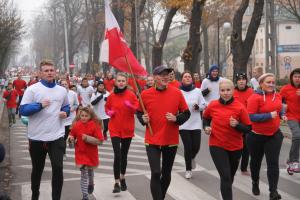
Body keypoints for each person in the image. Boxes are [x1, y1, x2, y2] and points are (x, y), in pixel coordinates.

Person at [137, 65, 190, 200]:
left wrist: (176, 118)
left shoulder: (176, 93)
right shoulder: (145, 94)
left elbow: (186, 113)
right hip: (152, 139)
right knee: (156, 172)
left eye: (168, 74)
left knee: (166, 174)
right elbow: (139, 112)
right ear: (155, 77)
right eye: (162, 75)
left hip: (170, 139)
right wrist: (143, 119)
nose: (166, 77)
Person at [19, 59, 70, 200]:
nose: (49, 73)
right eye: (46, 71)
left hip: (57, 136)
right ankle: (35, 194)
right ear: (40, 73)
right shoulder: (32, 89)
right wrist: (39, 105)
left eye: (51, 70)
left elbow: (66, 106)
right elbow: (22, 109)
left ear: (55, 72)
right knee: (37, 170)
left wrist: (66, 113)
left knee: (58, 168)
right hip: (37, 137)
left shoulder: (61, 90)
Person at [203, 79, 251, 200]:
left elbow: (248, 128)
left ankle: (224, 191)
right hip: (216, 144)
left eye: (228, 90)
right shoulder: (213, 105)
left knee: (230, 176)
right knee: (225, 176)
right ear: (219, 91)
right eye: (222, 90)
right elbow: (206, 118)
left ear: (233, 91)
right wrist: (206, 126)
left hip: (236, 146)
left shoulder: (239, 107)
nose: (225, 93)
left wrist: (237, 125)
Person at [247, 73, 284, 200]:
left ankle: (273, 191)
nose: (271, 84)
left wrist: (282, 114)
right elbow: (250, 117)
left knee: (273, 163)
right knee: (256, 162)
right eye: (268, 82)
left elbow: (279, 108)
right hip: (256, 136)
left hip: (274, 135)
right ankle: (255, 182)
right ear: (261, 83)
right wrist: (268, 115)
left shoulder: (277, 95)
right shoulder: (254, 98)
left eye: (273, 82)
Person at [105, 72, 139, 193]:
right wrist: (109, 113)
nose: (120, 83)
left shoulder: (131, 95)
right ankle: (116, 182)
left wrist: (131, 106)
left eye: (123, 81)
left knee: (124, 155)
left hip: (127, 129)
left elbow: (137, 107)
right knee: (117, 155)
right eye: (119, 81)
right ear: (115, 82)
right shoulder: (111, 96)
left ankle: (123, 177)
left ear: (126, 82)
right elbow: (107, 107)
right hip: (114, 128)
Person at [68, 107, 103, 200]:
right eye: (82, 115)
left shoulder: (94, 125)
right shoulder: (76, 125)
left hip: (91, 154)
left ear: (90, 116)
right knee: (84, 175)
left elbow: (100, 141)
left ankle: (91, 183)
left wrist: (87, 138)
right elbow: (71, 136)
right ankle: (85, 196)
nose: (83, 117)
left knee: (90, 172)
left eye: (86, 116)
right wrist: (70, 139)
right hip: (80, 154)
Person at [179, 71, 206, 179]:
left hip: (195, 122)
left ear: (192, 79)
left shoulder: (197, 91)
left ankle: (192, 157)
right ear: (182, 79)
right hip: (183, 123)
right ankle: (188, 169)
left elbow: (204, 104)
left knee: (196, 146)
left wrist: (198, 107)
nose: (188, 78)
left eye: (189, 76)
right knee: (188, 147)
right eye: (185, 77)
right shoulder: (178, 92)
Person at [233, 73, 254, 176]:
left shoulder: (251, 92)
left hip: (247, 123)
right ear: (236, 81)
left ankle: (244, 168)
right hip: (235, 123)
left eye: (243, 79)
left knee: (246, 146)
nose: (241, 81)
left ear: (246, 81)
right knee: (236, 146)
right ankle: (233, 166)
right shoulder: (232, 92)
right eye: (239, 79)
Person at [280, 68, 300, 173]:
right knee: (297, 136)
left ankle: (289, 160)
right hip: (291, 116)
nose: (297, 79)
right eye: (295, 76)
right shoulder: (285, 89)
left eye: (299, 77)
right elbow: (280, 102)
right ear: (292, 78)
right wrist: (282, 112)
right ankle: (294, 162)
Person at [61, 80, 79, 160]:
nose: (64, 85)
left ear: (68, 85)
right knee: (63, 138)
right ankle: (63, 153)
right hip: (62, 119)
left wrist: (71, 109)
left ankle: (71, 142)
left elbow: (76, 104)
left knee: (71, 135)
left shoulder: (73, 94)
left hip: (71, 119)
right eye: (62, 84)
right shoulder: (58, 94)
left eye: (65, 84)